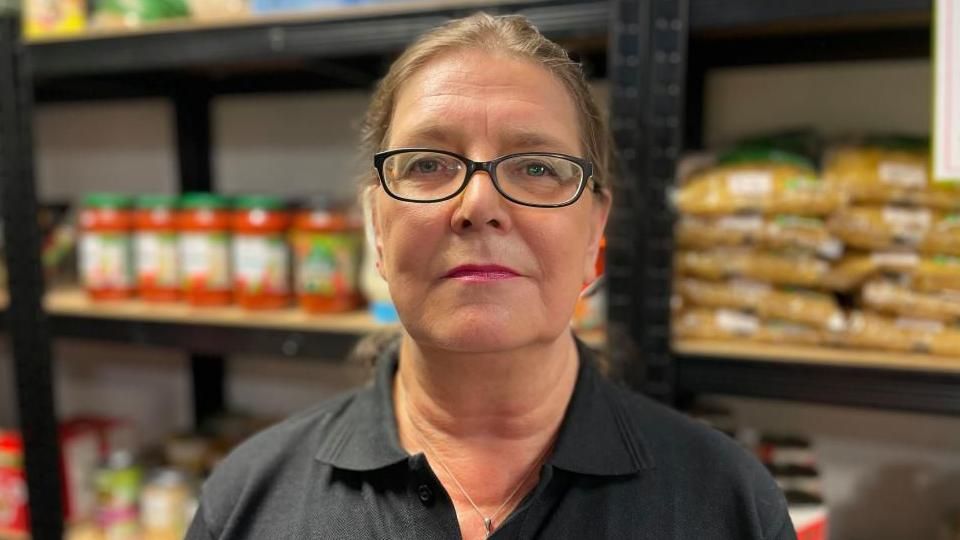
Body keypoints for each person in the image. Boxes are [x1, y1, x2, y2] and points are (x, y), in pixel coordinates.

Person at [187, 12, 796, 540]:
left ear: (594, 234)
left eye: (536, 166)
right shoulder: (246, 502)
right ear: (377, 224)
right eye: (427, 163)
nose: (478, 205)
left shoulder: (729, 504)